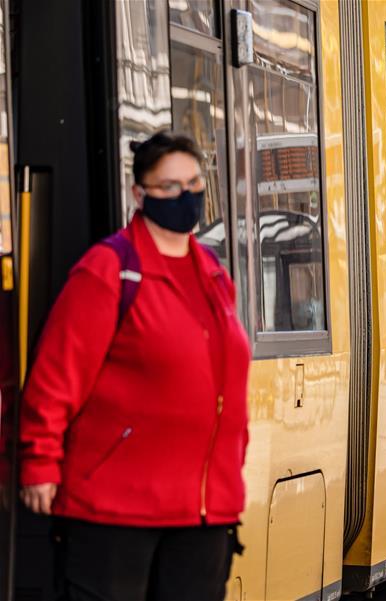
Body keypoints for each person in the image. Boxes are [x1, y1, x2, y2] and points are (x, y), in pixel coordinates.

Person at [18, 132, 251, 601]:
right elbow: (56, 376)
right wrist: (39, 461)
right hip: (116, 508)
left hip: (204, 510)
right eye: (170, 186)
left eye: (194, 183)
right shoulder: (109, 269)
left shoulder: (213, 274)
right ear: (139, 194)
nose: (185, 195)